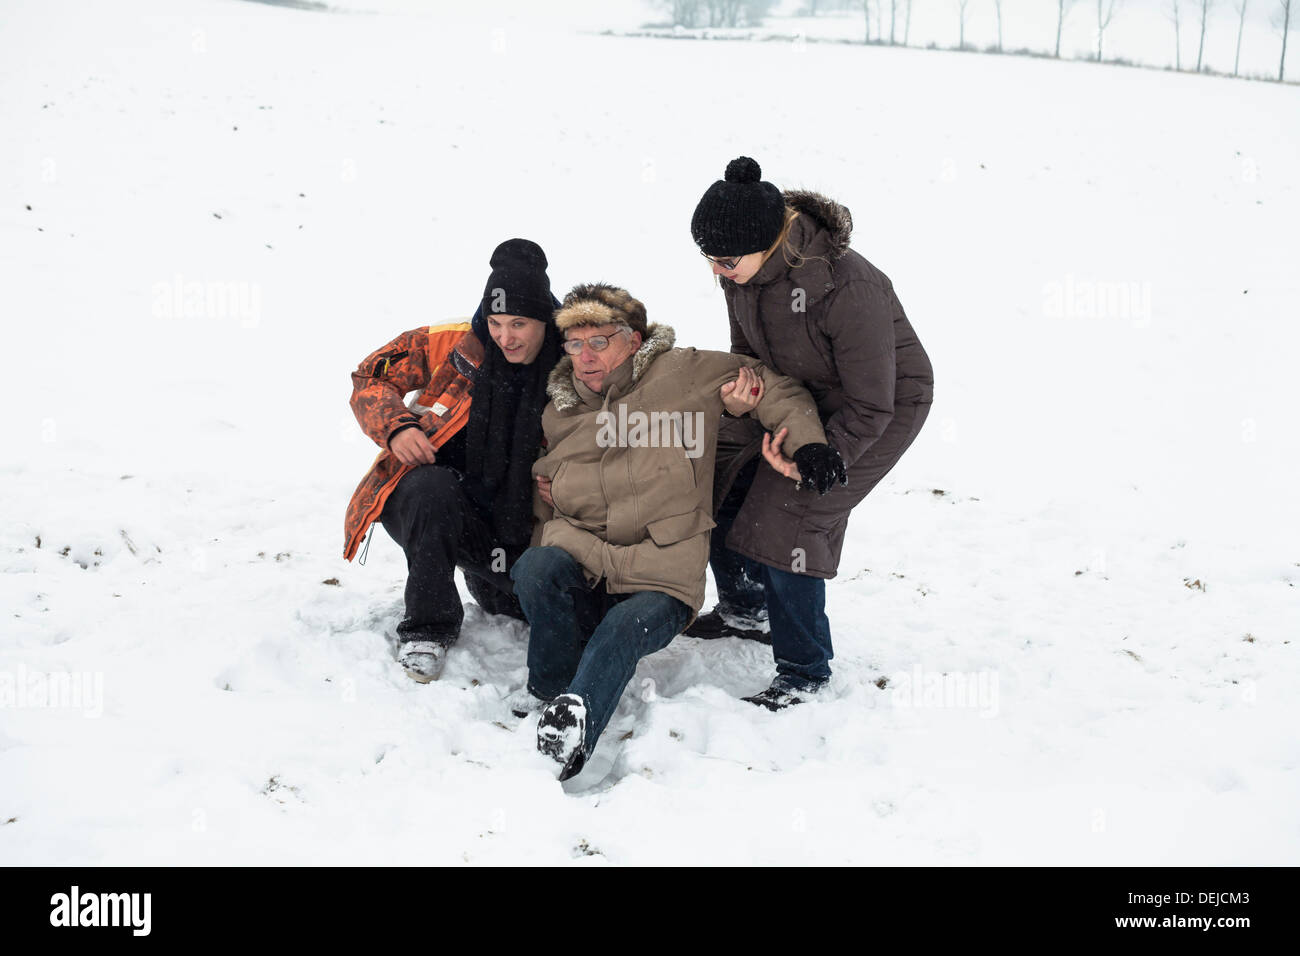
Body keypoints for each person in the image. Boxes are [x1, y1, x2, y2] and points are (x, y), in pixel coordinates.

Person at [509, 282, 839, 780]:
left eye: (600, 341)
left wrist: (807, 445)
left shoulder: (684, 374)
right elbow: (545, 491)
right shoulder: (561, 407)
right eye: (575, 345)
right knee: (534, 567)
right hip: (588, 562)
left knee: (622, 630)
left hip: (661, 575)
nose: (585, 356)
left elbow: (774, 387)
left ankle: (575, 719)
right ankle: (549, 692)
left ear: (634, 339)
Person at [687, 157, 935, 710]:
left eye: (724, 260)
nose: (715, 272)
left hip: (881, 405)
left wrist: (819, 457)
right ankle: (744, 607)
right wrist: (741, 399)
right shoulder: (742, 273)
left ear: (768, 243)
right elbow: (748, 352)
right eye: (708, 259)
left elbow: (874, 400)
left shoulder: (850, 287)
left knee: (789, 517)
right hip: (799, 395)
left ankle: (805, 669)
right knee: (719, 478)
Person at [343, 238, 564, 682]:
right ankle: (427, 627)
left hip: (527, 525)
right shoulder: (452, 342)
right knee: (431, 486)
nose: (505, 336)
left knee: (526, 607)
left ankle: (496, 578)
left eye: (519, 324)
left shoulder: (576, 360)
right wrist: (397, 427)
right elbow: (371, 376)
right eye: (496, 322)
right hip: (442, 509)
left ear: (545, 319)